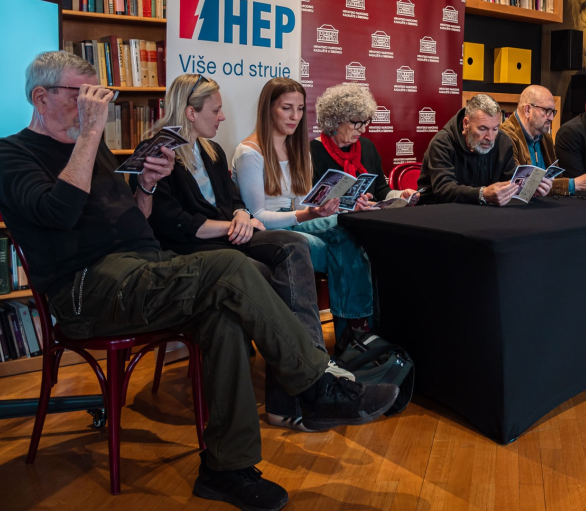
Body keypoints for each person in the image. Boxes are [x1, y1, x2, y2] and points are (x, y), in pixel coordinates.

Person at [0, 52, 397, 511]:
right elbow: (58, 213)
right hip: (85, 291)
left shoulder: (95, 151)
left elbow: (137, 222)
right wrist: (89, 134)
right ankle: (314, 383)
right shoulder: (9, 152)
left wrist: (143, 187)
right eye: (82, 94)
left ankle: (226, 469)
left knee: (221, 315)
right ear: (41, 97)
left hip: (143, 269)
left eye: (97, 95)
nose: (93, 104)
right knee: (231, 266)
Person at [133, 73, 336, 431]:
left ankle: (306, 376)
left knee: (293, 245)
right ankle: (300, 391)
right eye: (217, 110)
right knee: (272, 271)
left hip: (226, 237)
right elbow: (171, 222)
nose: (222, 117)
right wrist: (230, 226)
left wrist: (240, 214)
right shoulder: (157, 152)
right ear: (191, 113)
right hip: (189, 249)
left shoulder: (211, 150)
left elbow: (234, 201)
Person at [231, 77, 376, 354]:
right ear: (268, 109)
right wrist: (306, 214)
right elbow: (257, 215)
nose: (294, 116)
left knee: (349, 227)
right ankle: (354, 334)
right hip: (266, 230)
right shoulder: (250, 153)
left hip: (298, 219)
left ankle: (353, 336)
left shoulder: (299, 149)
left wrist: (333, 207)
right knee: (342, 245)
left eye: (299, 109)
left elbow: (305, 203)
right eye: (287, 108)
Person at [310, 83, 418, 204]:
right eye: (356, 123)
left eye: (365, 122)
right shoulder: (312, 152)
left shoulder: (367, 147)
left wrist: (400, 195)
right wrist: (350, 206)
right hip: (334, 221)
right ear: (335, 121)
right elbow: (313, 204)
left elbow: (381, 190)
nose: (363, 130)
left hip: (369, 217)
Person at [417, 93, 518, 205]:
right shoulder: (442, 143)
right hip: (438, 210)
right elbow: (444, 189)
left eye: (495, 129)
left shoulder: (503, 142)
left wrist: (527, 188)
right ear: (466, 124)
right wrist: (482, 194)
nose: (490, 137)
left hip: (484, 212)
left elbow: (510, 182)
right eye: (483, 128)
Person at [497, 85, 560, 196]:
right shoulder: (505, 138)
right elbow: (519, 185)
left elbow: (554, 180)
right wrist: (573, 185)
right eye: (546, 111)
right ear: (527, 110)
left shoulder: (546, 138)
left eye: (553, 112)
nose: (551, 118)